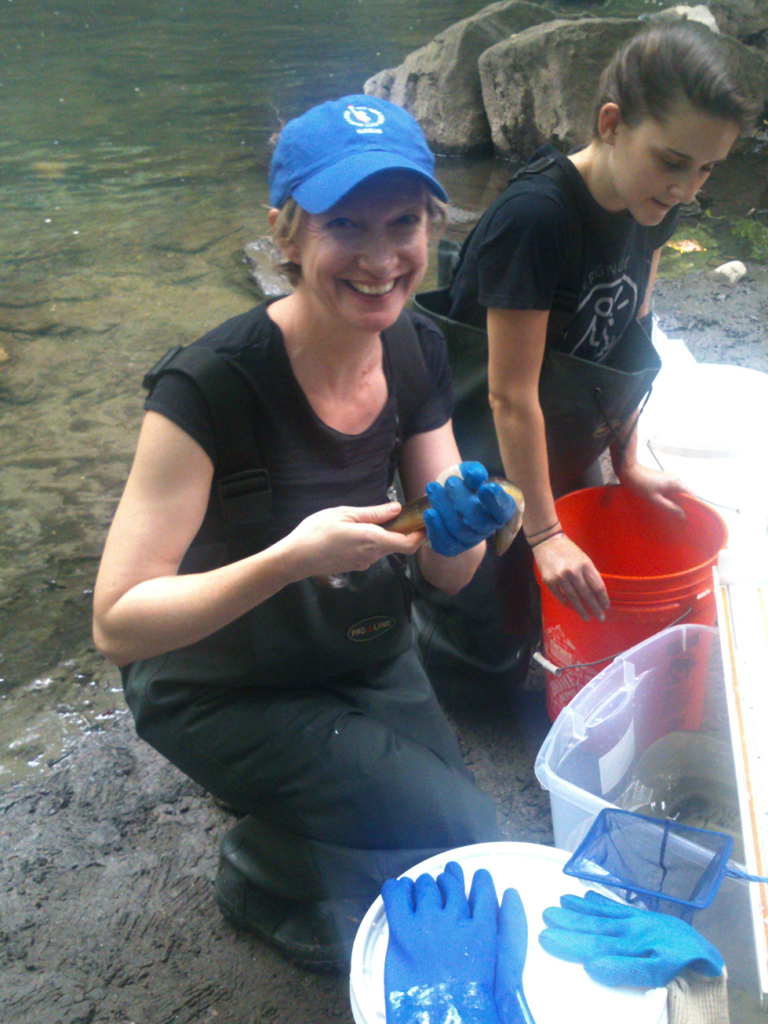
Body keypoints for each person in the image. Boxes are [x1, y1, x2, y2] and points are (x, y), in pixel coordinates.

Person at [91, 94, 520, 971]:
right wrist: (289, 558)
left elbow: (445, 576)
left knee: (461, 850)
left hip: (353, 646)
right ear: (286, 236)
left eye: (404, 222)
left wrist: (465, 532)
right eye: (343, 225)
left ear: (433, 227)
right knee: (460, 831)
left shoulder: (416, 350)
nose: (379, 257)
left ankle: (304, 806)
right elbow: (118, 623)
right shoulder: (205, 389)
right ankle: (260, 867)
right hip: (219, 681)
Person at [412, 20, 759, 708]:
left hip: (568, 432)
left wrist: (626, 461)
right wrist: (543, 534)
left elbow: (629, 342)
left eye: (709, 168)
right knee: (486, 677)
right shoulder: (536, 218)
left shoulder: (652, 203)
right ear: (610, 123)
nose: (689, 188)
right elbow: (509, 396)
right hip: (489, 455)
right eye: (673, 161)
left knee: (603, 599)